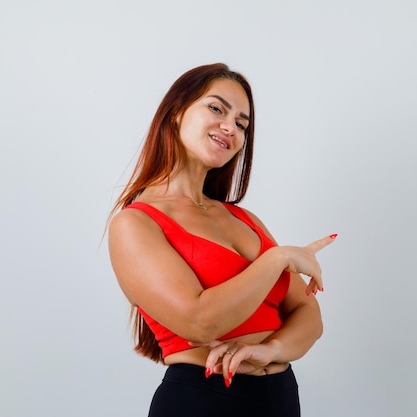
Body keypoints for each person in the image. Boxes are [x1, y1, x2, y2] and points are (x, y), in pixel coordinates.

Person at [107, 63, 336, 417]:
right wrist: (277, 259)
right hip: (204, 400)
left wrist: (271, 350)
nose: (230, 127)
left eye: (242, 124)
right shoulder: (135, 223)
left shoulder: (244, 219)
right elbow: (199, 322)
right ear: (176, 112)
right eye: (216, 108)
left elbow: (308, 313)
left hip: (280, 399)